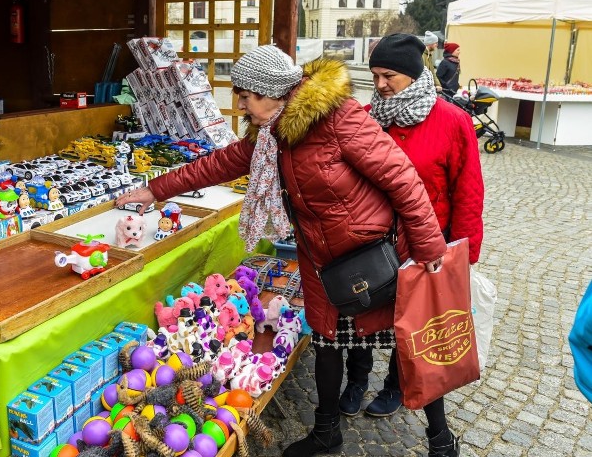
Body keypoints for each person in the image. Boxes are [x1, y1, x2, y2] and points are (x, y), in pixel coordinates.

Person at [116, 45, 454, 456]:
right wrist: (153, 189)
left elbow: (402, 178)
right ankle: (327, 432)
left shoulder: (337, 118)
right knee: (327, 342)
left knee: (411, 340)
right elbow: (218, 164)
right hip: (320, 259)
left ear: (270, 91)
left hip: (373, 253)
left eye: (245, 97)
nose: (240, 107)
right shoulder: (270, 135)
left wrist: (429, 244)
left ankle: (440, 437)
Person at [340, 33, 483, 450]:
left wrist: (464, 253)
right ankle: (358, 377)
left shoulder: (452, 121)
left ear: (414, 73)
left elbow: (468, 190)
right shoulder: (368, 116)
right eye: (375, 75)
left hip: (426, 243)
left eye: (389, 76)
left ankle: (395, 386)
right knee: (363, 316)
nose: (380, 84)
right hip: (370, 241)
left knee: (415, 324)